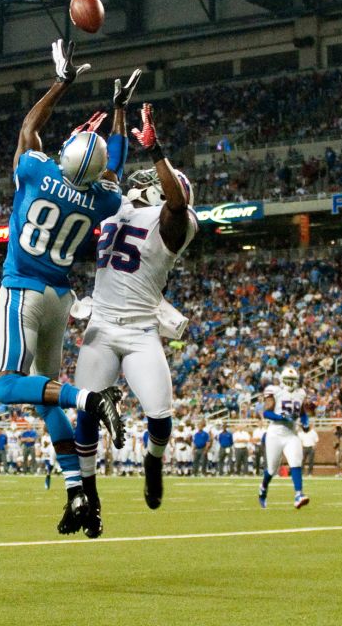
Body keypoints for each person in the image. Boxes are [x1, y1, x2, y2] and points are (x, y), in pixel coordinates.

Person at [0, 38, 129, 533]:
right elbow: (113, 166)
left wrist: (62, 81)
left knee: (8, 385)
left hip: (23, 288)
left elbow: (29, 128)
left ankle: (92, 399)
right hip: (60, 298)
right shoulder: (100, 201)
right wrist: (119, 113)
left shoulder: (35, 169)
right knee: (44, 394)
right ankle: (78, 495)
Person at [71, 96, 198, 528]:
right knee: (85, 410)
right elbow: (112, 171)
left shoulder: (173, 221)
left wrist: (156, 148)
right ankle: (89, 495)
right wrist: (120, 112)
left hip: (142, 331)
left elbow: (177, 204)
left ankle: (152, 464)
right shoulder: (115, 209)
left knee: (160, 417)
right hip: (102, 325)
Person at [258, 365, 310, 509]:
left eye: (292, 379)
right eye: (287, 379)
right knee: (272, 470)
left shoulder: (301, 393)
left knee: (296, 461)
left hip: (291, 434)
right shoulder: (275, 391)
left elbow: (302, 413)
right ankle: (263, 488)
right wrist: (281, 416)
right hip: (275, 433)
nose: (290, 382)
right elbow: (266, 413)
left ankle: (298, 494)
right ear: (281, 380)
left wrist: (306, 422)